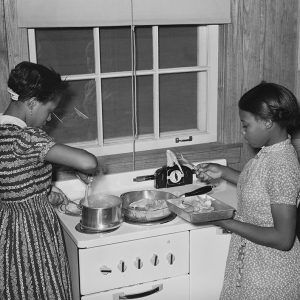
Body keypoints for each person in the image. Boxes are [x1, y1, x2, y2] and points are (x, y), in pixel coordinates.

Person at [0, 61, 98, 299]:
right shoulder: (26, 137)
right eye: (49, 110)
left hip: (7, 227)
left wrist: (43, 191)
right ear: (32, 103)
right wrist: (76, 165)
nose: (49, 119)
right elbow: (89, 163)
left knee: (19, 289)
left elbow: (15, 173)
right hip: (30, 232)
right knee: (43, 287)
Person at [196, 82, 300, 299]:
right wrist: (224, 172)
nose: (243, 133)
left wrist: (223, 220)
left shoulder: (282, 165)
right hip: (252, 264)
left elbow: (283, 238)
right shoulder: (270, 153)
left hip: (270, 276)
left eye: (246, 125)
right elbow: (260, 185)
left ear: (268, 122)